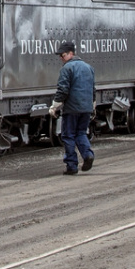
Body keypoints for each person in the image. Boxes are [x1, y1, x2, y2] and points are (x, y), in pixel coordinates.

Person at [49, 41, 95, 175]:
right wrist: (93, 105)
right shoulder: (88, 67)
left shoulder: (67, 68)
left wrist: (54, 106)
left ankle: (71, 166)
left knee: (68, 135)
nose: (61, 58)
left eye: (63, 55)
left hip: (72, 108)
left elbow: (63, 89)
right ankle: (88, 155)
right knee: (81, 133)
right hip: (86, 108)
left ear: (71, 53)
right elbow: (93, 89)